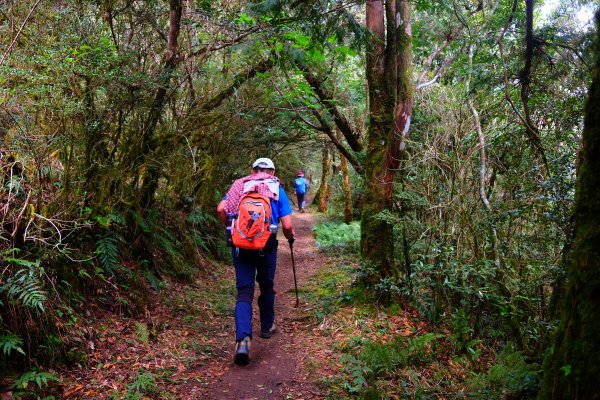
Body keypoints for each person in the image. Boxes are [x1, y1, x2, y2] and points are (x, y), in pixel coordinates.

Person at [216, 157, 295, 366]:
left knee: (244, 292)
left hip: (241, 245)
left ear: (252, 170)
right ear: (272, 171)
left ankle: (242, 341)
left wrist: (231, 229)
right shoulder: (276, 188)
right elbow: (287, 224)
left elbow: (221, 209)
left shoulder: (240, 185)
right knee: (267, 286)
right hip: (266, 245)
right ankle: (267, 326)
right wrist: (290, 238)